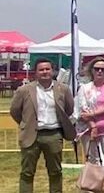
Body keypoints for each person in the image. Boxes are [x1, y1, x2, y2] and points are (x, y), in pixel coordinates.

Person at [11, 58, 75, 193]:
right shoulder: (25, 90)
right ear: (36, 72)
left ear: (53, 71)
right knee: (27, 172)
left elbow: (69, 109)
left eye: (47, 69)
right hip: (31, 135)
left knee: (55, 172)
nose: (44, 72)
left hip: (53, 134)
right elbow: (15, 111)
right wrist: (25, 124)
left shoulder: (62, 89)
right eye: (41, 69)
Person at [74, 57, 104, 164]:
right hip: (88, 130)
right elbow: (83, 109)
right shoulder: (84, 88)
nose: (100, 71)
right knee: (92, 163)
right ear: (91, 70)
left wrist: (95, 113)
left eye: (103, 69)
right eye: (96, 68)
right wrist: (93, 125)